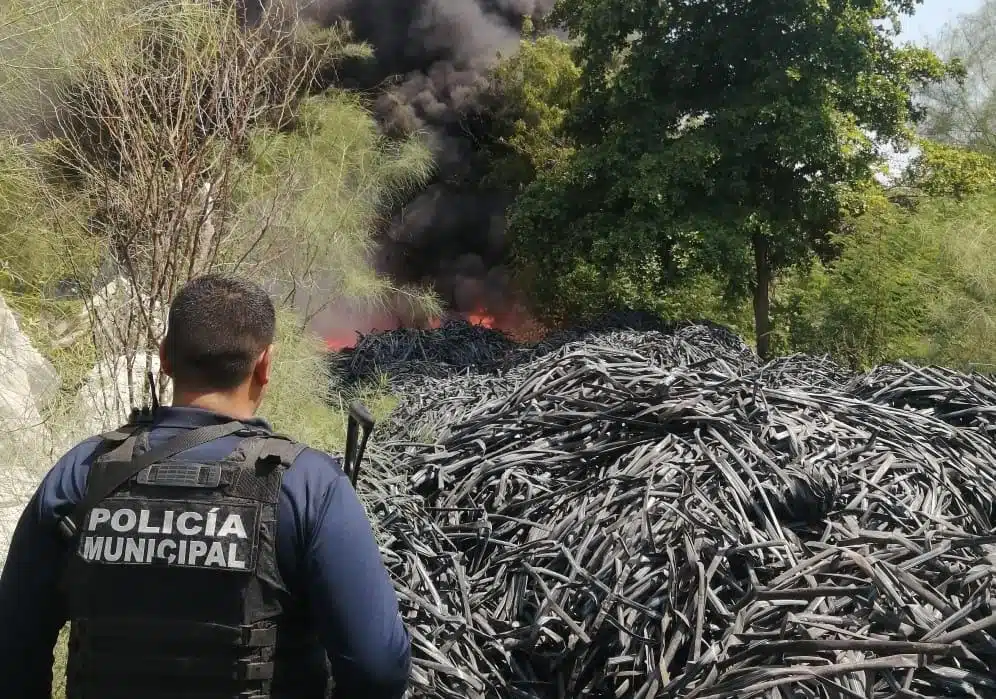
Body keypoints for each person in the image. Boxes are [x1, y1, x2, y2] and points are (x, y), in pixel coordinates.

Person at [0, 274, 411, 699]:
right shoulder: (307, 485)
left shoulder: (80, 471)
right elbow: (378, 669)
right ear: (265, 365)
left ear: (164, 357)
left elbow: (12, 648)